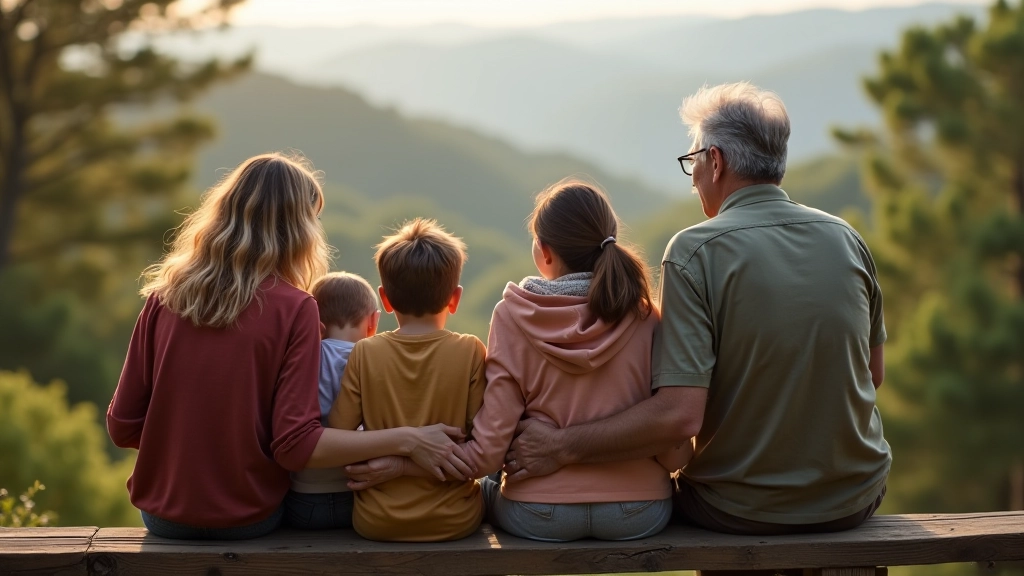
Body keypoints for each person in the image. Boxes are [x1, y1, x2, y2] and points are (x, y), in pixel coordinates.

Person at [503, 82, 891, 538]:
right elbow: (872, 372)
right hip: (856, 497)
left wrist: (562, 447)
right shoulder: (846, 238)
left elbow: (679, 415)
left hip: (737, 508)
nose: (693, 179)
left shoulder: (694, 251)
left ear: (716, 161)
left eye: (693, 162)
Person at [106, 154, 470, 540]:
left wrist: (192, 449)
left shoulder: (163, 299)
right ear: (299, 229)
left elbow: (122, 426)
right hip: (248, 515)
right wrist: (408, 440)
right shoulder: (295, 308)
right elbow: (296, 447)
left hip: (162, 516)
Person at [462, 179, 683, 541]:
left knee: (486, 484)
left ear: (544, 252)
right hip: (640, 511)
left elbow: (489, 453)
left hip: (537, 512)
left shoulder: (513, 315)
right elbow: (675, 457)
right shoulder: (646, 315)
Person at [327, 218, 486, 542]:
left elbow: (339, 434)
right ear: (454, 298)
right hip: (456, 520)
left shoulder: (365, 353)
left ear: (384, 300)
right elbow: (478, 445)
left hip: (376, 520)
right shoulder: (470, 350)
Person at [284, 272, 381, 530]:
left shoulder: (302, 359)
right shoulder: (375, 360)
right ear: (373, 322)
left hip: (302, 500)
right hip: (360, 496)